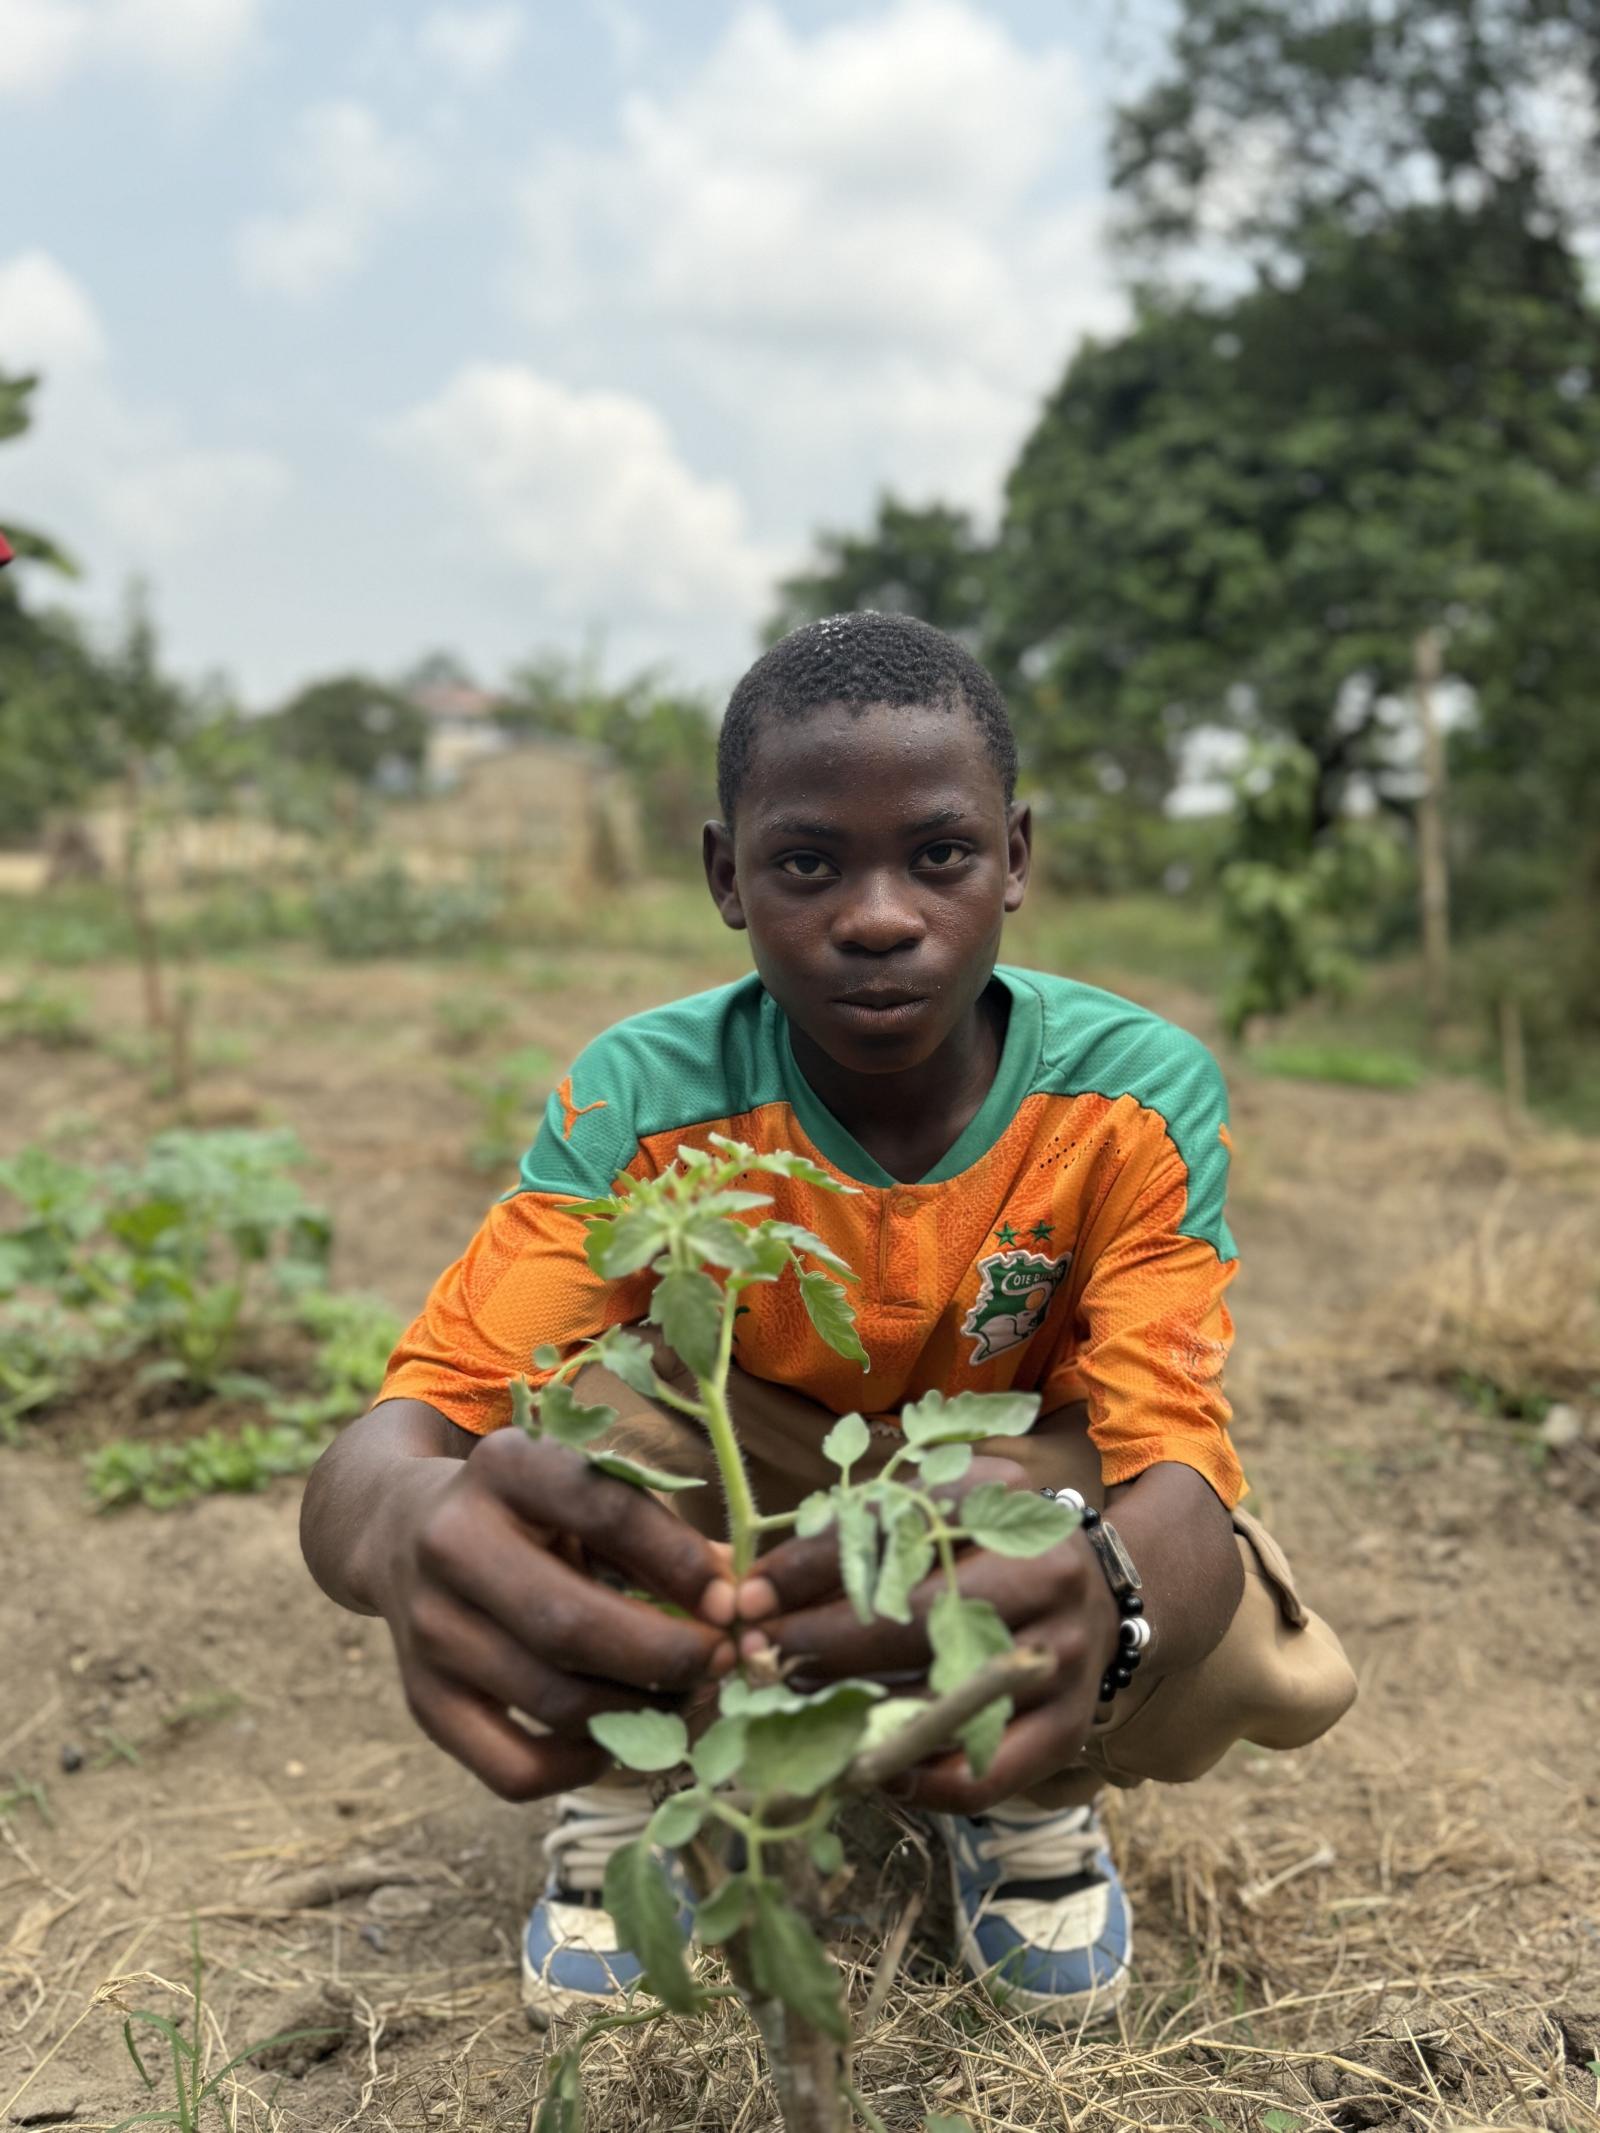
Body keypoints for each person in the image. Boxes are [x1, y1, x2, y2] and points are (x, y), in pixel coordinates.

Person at [300, 613, 1355, 2029]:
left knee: (1176, 1582)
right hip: (749, 1506)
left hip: (1000, 1483)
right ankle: (628, 1780)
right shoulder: (645, 1096)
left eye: (940, 855)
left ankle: (1034, 1783)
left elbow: (1175, 1457)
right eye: (807, 863)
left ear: (1016, 858)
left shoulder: (1131, 1098)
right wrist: (402, 1524)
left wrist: (1108, 1588)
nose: (877, 915)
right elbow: (411, 1427)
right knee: (566, 1440)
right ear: (726, 877)